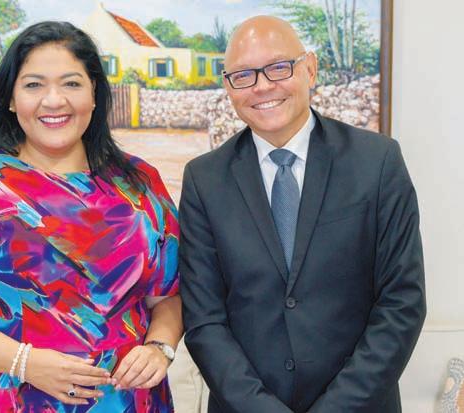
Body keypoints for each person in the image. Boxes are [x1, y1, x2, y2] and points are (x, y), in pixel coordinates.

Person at [0, 21, 181, 412]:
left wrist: (160, 347)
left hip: (120, 400)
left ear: (94, 93)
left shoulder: (140, 182)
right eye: (33, 85)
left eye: (71, 83)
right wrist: (24, 363)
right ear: (11, 99)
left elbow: (168, 296)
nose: (54, 100)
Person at [179, 15, 426, 413]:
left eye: (278, 67)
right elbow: (204, 320)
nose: (262, 86)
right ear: (228, 87)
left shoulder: (377, 162)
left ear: (309, 69)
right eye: (243, 75)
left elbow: (402, 302)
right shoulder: (204, 180)